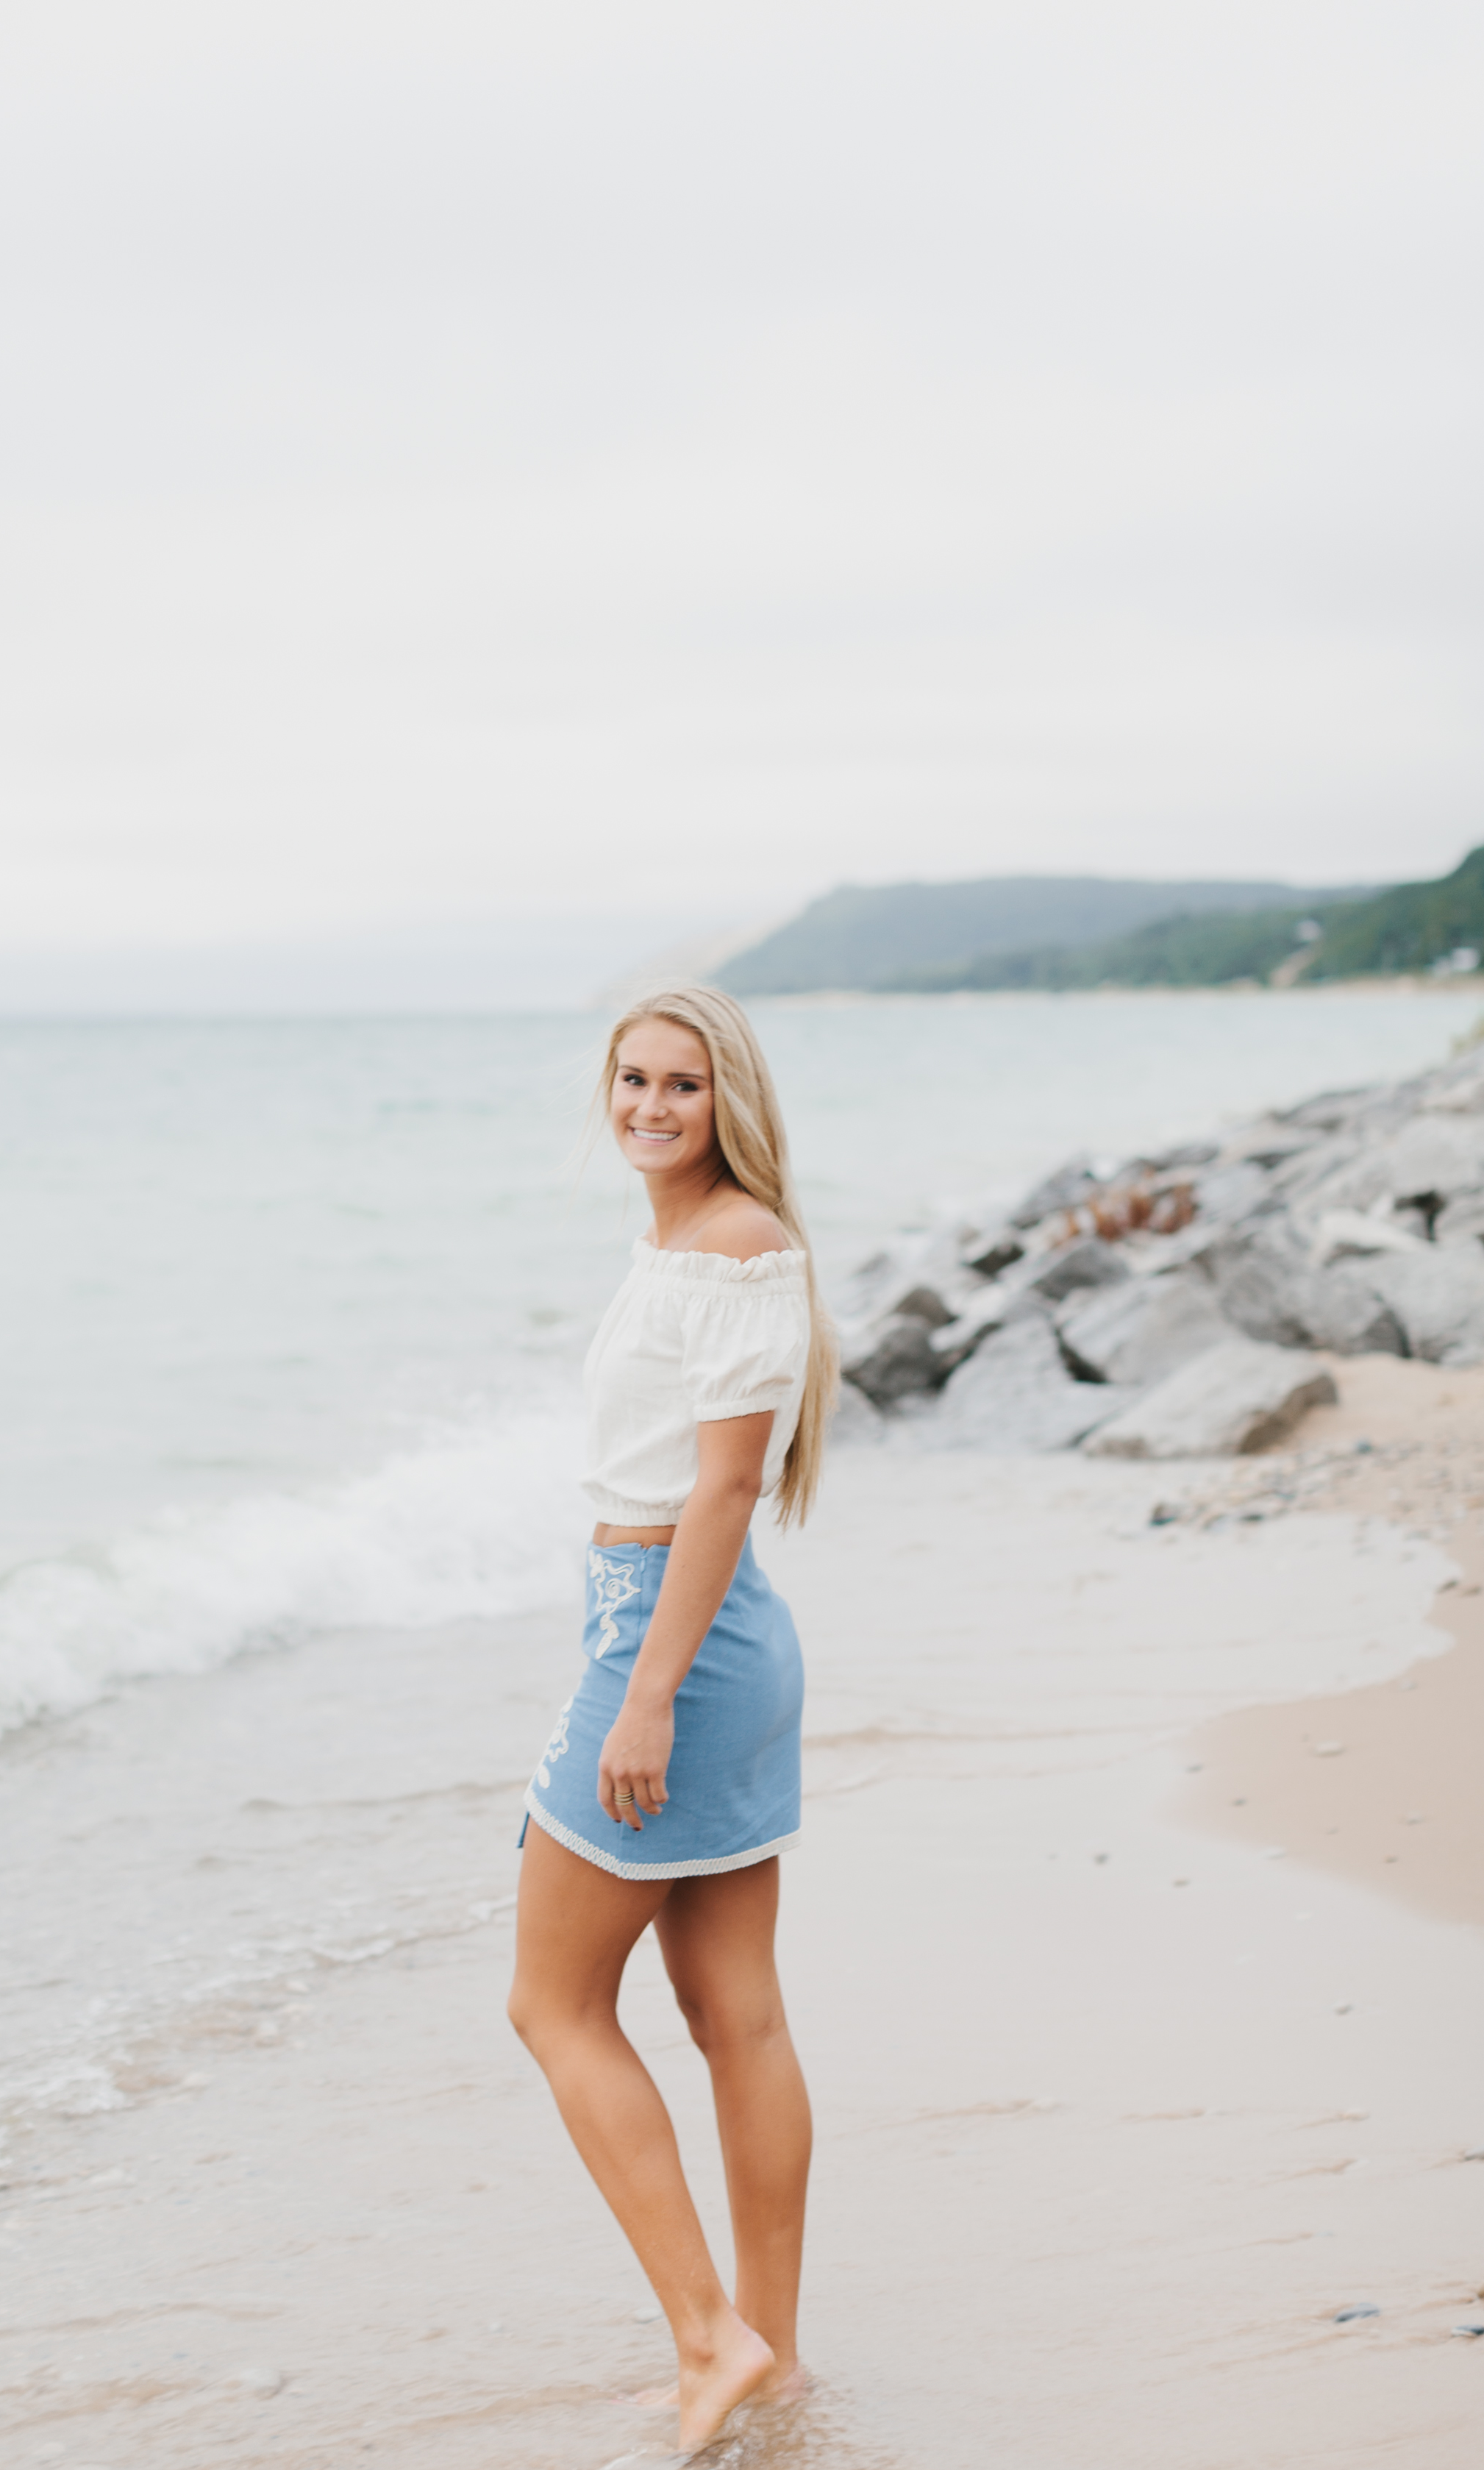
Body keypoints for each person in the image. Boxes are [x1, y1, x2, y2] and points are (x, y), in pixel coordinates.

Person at [507, 985, 838, 2455]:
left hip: (677, 1645)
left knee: (551, 2003)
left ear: (729, 1104)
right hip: (698, 1635)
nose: (647, 1105)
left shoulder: (740, 1250)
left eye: (680, 1086)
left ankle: (712, 2336)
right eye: (630, 1079)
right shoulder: (682, 1244)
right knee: (727, 2011)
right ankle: (759, 2349)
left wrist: (639, 1697)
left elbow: (716, 1490)